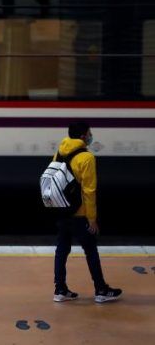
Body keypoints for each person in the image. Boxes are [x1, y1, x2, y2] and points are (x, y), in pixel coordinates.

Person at [53, 121, 122, 304]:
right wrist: (92, 219)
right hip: (80, 214)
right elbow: (89, 191)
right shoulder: (87, 158)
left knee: (61, 249)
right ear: (84, 136)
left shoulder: (60, 152)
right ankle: (101, 289)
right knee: (91, 250)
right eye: (90, 133)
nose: (91, 136)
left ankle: (60, 290)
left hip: (61, 210)